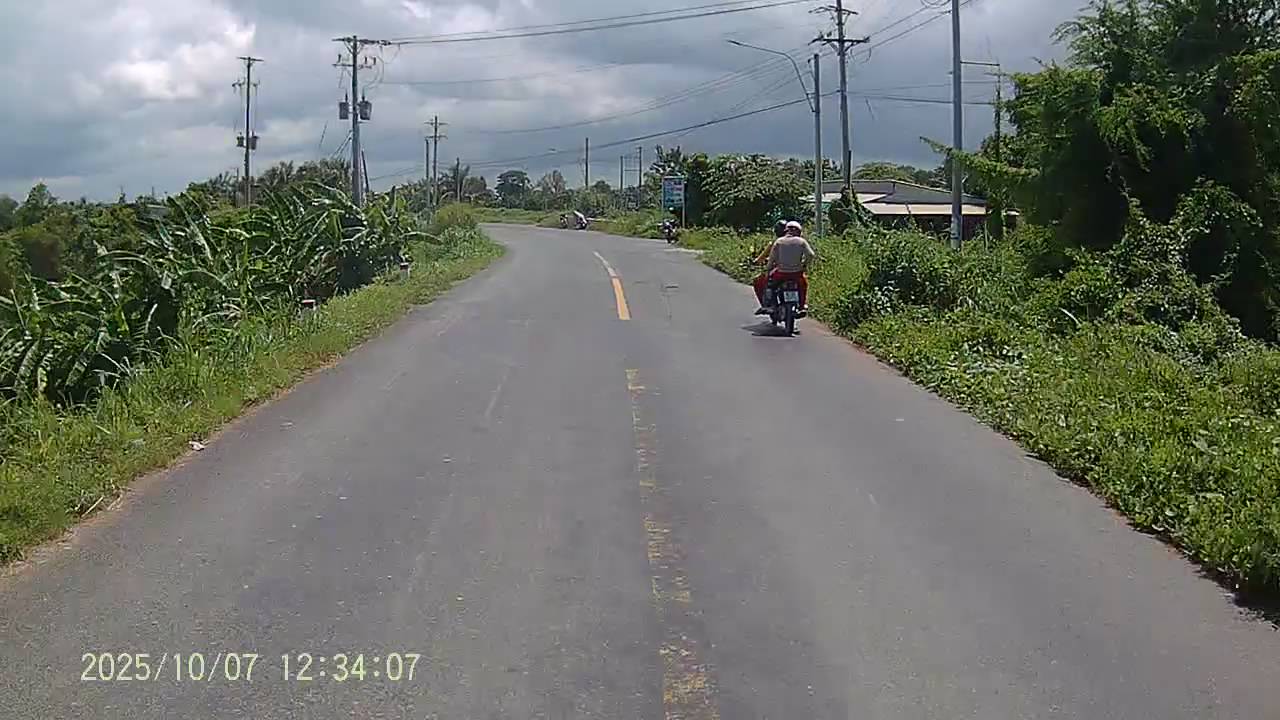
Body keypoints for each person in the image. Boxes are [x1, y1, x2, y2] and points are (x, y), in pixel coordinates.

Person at [753, 220, 815, 315]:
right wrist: (804, 265)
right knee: (803, 285)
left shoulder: (778, 242)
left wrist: (768, 269)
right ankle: (802, 306)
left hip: (781, 273)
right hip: (797, 273)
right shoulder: (801, 241)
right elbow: (811, 255)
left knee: (770, 285)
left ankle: (770, 305)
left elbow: (771, 259)